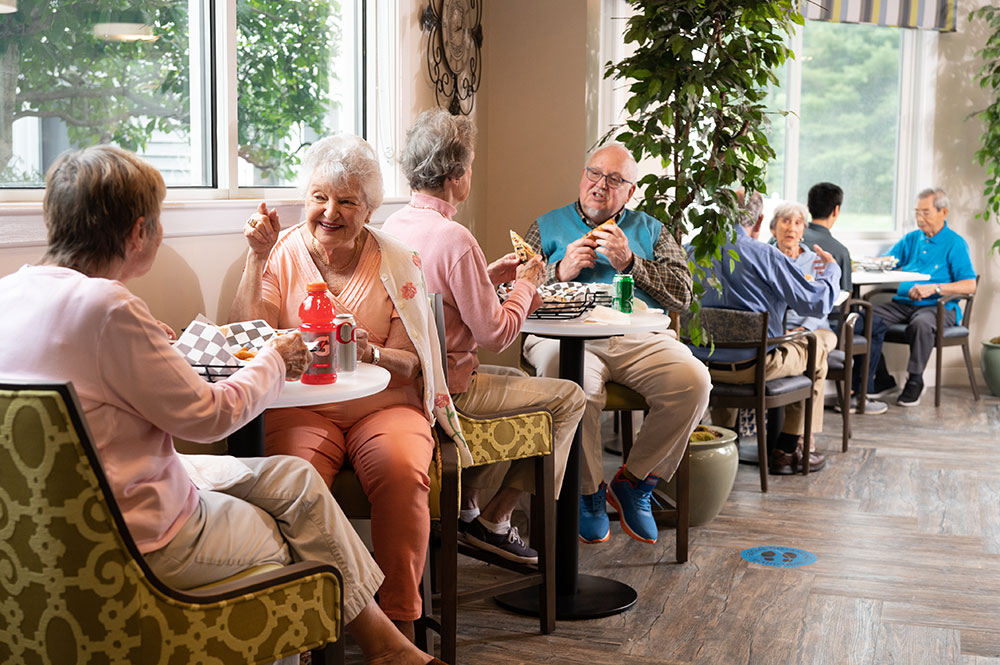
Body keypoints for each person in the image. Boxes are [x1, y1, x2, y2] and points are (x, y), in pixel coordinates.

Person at [0, 145, 444, 665]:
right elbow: (211, 417)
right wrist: (277, 357)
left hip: (57, 520)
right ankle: (374, 645)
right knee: (297, 539)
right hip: (138, 531)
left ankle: (387, 644)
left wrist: (158, 348)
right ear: (139, 232)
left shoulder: (11, 293)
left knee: (293, 482)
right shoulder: (111, 308)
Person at [229, 134, 468, 642]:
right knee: (293, 480)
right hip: (299, 408)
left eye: (347, 200)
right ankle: (305, 629)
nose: (329, 212)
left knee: (404, 473)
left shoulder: (399, 260)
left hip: (382, 407)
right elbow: (248, 337)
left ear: (371, 208)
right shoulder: (279, 252)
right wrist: (255, 257)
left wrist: (371, 352)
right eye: (319, 197)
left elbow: (414, 364)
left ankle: (401, 624)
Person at [381, 109, 586, 563]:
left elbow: (439, 301)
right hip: (451, 390)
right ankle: (498, 517)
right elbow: (495, 333)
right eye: (470, 166)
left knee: (508, 382)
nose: (470, 174)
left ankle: (468, 508)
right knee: (570, 397)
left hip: (408, 384)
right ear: (455, 176)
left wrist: (486, 276)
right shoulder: (455, 238)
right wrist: (530, 284)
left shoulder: (392, 227)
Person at [520, 142, 712, 545]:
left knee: (694, 381)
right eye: (593, 174)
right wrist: (559, 270)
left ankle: (635, 482)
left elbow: (682, 295)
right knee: (574, 386)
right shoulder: (546, 226)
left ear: (630, 192)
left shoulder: (652, 231)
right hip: (562, 338)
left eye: (614, 180)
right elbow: (511, 291)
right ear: (582, 177)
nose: (599, 186)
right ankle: (588, 494)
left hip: (637, 339)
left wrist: (632, 264)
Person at [691, 192, 841, 475]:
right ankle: (787, 448)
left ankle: (726, 437)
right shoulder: (765, 255)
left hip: (702, 366)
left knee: (727, 345)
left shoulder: (692, 249)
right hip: (755, 367)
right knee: (815, 347)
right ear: (761, 222)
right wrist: (832, 271)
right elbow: (818, 301)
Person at [853, 187, 976, 407]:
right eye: (917, 212)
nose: (919, 219)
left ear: (943, 212)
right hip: (903, 304)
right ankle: (882, 379)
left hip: (939, 307)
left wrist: (934, 289)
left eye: (926, 213)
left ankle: (915, 381)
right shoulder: (911, 239)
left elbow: (969, 285)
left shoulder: (955, 243)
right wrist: (862, 262)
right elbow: (887, 260)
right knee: (864, 318)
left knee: (921, 324)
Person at [771, 202, 887, 416]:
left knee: (814, 348)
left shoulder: (816, 262)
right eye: (785, 221)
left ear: (803, 230)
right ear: (773, 228)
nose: (791, 228)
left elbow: (823, 305)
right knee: (794, 355)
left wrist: (802, 330)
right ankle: (793, 428)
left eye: (797, 223)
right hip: (776, 331)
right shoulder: (766, 259)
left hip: (815, 329)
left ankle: (803, 434)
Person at [804, 182, 852, 292]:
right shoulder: (840, 252)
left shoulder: (780, 238)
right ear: (836, 210)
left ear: (808, 208)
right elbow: (844, 296)